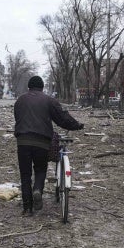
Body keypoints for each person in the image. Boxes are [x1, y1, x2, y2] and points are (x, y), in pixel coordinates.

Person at [13, 76, 84, 216]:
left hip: (23, 141)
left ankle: (27, 208)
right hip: (42, 141)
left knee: (25, 174)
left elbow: (18, 118)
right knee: (40, 169)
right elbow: (62, 118)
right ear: (42, 87)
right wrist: (76, 125)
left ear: (29, 86)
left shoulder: (20, 100)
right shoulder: (49, 100)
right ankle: (37, 189)